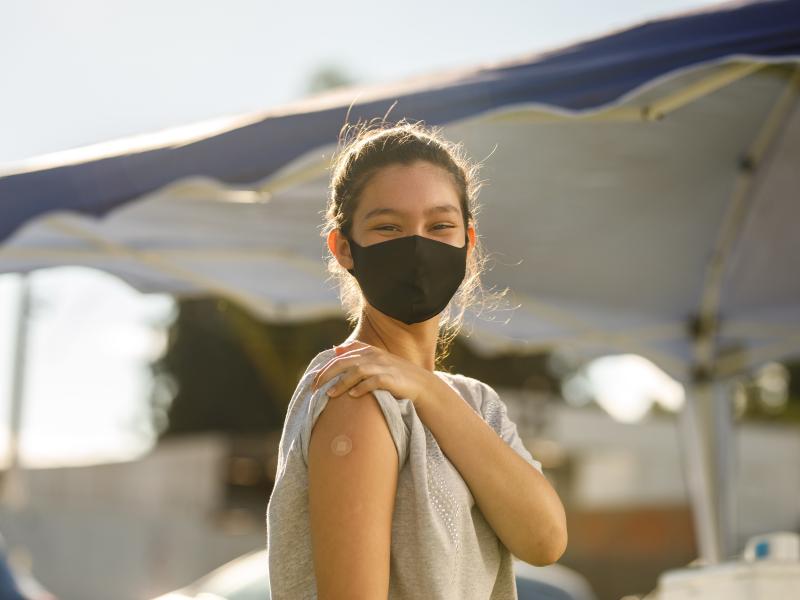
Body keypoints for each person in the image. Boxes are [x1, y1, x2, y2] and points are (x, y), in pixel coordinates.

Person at [265, 119, 568, 599]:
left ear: (468, 243)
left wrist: (428, 389)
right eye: (388, 227)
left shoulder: (476, 402)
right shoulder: (355, 390)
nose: (418, 246)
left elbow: (545, 540)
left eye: (440, 226)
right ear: (343, 247)